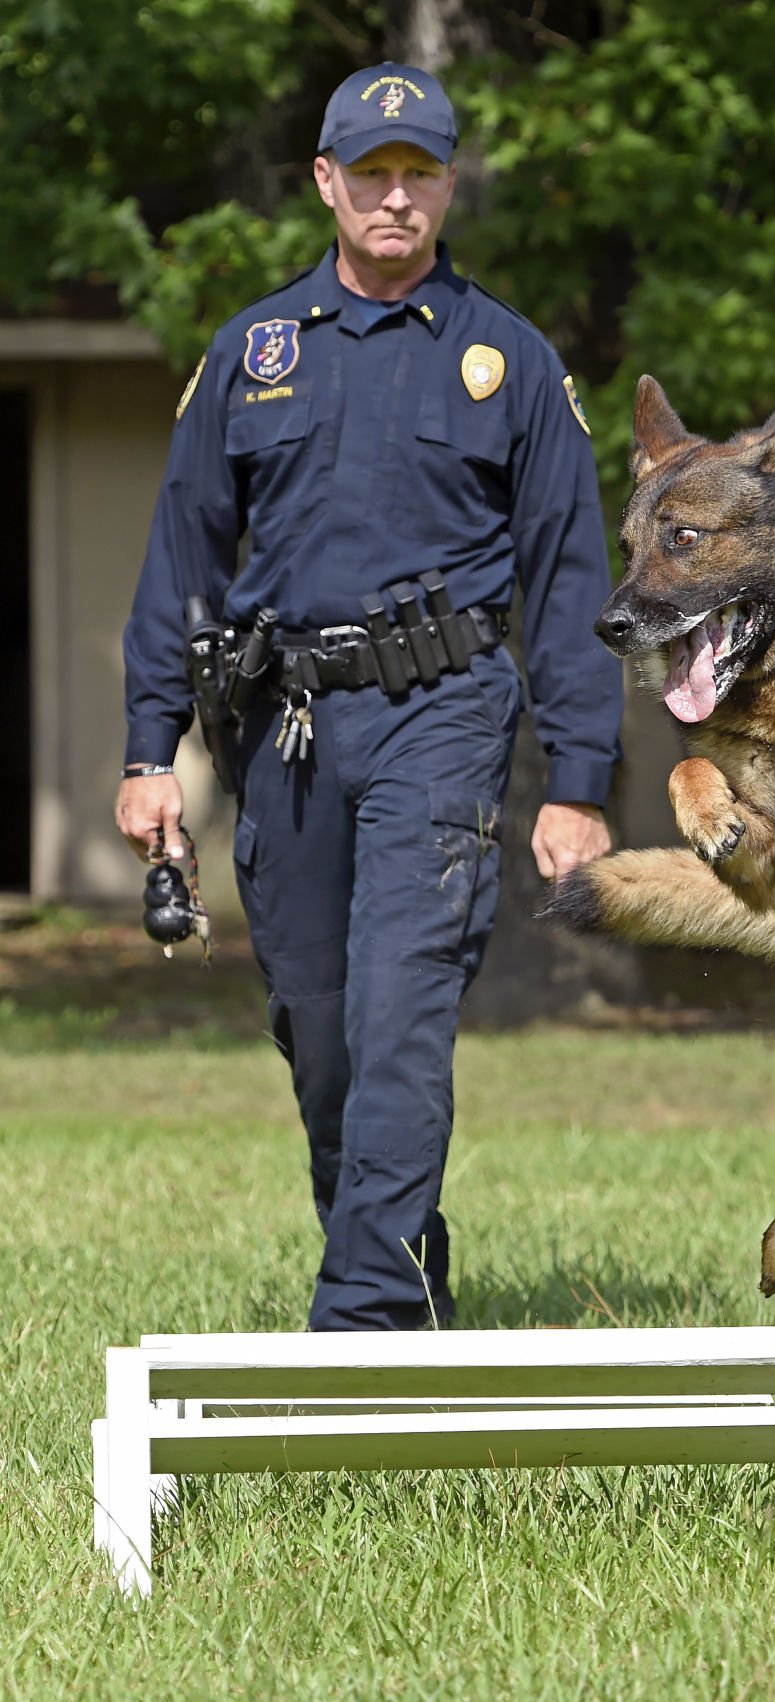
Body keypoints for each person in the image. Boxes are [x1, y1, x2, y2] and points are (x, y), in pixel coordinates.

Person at [115, 63, 623, 1331]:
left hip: (442, 713)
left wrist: (577, 781)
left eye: (421, 173)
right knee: (322, 1030)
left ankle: (363, 1324)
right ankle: (407, 1264)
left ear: (448, 185)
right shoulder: (254, 352)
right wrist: (146, 752)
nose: (397, 198)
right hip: (281, 731)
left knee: (401, 1008)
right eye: (373, 173)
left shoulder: (507, 360)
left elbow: (571, 584)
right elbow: (180, 557)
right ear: (327, 183)